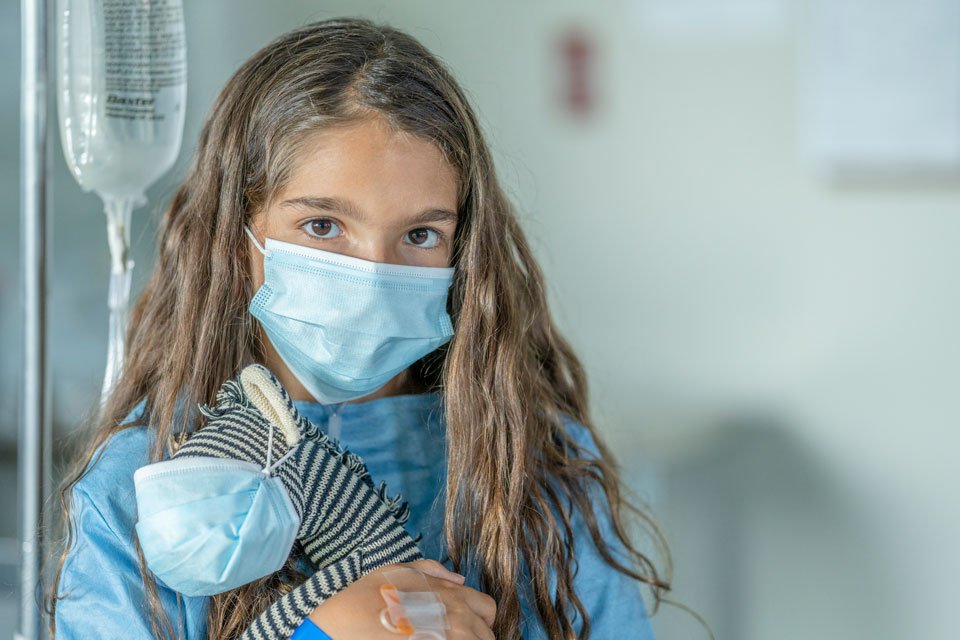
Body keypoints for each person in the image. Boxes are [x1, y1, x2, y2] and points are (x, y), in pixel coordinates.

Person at [44, 17, 669, 640]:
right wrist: (322, 632)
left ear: (464, 251)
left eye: (420, 236)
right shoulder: (148, 484)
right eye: (322, 226)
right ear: (236, 237)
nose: (372, 279)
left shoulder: (532, 464)